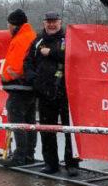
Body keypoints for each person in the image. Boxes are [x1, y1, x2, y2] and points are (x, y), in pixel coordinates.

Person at [23, 12, 80, 176]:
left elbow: (74, 57)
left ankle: (72, 163)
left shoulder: (68, 39)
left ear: (60, 22)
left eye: (54, 22)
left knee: (70, 130)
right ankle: (51, 163)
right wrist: (34, 81)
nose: (51, 25)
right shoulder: (37, 41)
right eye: (48, 22)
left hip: (66, 92)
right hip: (45, 93)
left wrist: (52, 53)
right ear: (44, 23)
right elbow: (27, 63)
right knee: (47, 130)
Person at [0, 8, 37, 168]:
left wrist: (6, 77)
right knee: (29, 122)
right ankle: (28, 154)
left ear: (15, 25)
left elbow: (15, 66)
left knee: (17, 122)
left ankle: (19, 156)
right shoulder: (31, 36)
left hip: (19, 87)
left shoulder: (20, 39)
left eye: (9, 25)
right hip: (29, 88)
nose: (8, 28)